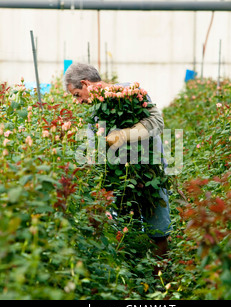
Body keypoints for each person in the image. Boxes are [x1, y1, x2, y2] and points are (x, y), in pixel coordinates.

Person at [63, 63, 171, 262]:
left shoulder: (129, 93)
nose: (77, 101)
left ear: (86, 84)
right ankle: (130, 280)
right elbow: (92, 150)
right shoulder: (93, 114)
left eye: (77, 94)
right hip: (116, 178)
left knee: (159, 230)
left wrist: (124, 135)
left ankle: (161, 280)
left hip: (148, 171)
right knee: (118, 230)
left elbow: (157, 122)